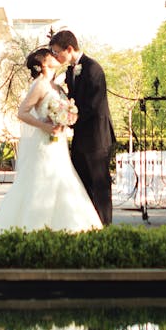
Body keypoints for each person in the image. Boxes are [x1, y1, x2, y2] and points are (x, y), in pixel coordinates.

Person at [0, 47, 103, 232]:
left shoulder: (56, 86)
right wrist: (45, 125)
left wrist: (68, 117)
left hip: (59, 142)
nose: (55, 56)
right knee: (42, 181)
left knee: (62, 181)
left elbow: (66, 107)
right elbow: (22, 112)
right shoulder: (40, 85)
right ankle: (34, 226)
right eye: (51, 55)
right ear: (43, 63)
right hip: (45, 142)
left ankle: (65, 227)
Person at [51, 30, 116, 225]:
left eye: (57, 52)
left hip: (97, 137)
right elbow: (73, 99)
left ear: (69, 49)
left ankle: (105, 226)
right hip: (80, 138)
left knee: (100, 186)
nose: (55, 56)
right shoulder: (71, 70)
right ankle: (86, 225)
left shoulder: (93, 68)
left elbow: (93, 105)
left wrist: (71, 117)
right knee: (81, 184)